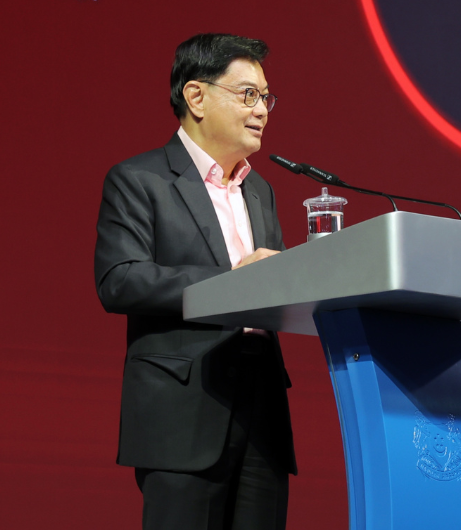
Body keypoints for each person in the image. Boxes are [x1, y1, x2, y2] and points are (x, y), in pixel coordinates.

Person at [93, 33, 295, 530]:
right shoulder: (140, 180)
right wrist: (232, 280)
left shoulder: (262, 191)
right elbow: (119, 280)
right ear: (196, 96)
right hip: (183, 409)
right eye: (248, 94)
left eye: (266, 97)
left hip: (261, 409)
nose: (263, 110)